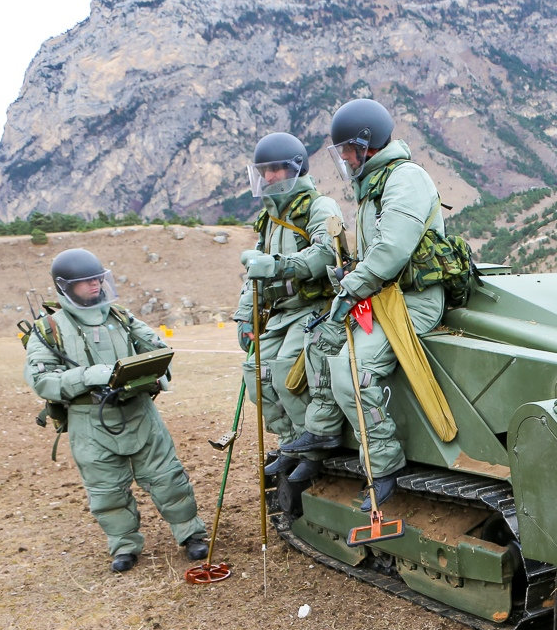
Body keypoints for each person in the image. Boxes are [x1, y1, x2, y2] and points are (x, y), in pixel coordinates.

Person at [281, 98, 445, 510]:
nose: (344, 158)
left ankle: (383, 465)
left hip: (412, 300)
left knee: (353, 370)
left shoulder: (405, 179)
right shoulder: (374, 184)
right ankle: (322, 435)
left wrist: (351, 287)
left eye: (347, 150)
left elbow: (391, 251)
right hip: (380, 296)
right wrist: (348, 274)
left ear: (365, 144)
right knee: (319, 342)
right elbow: (376, 255)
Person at [24, 248, 209, 572]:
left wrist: (156, 374)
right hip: (88, 421)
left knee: (168, 478)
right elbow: (42, 380)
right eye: (85, 281)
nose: (95, 284)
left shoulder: (120, 316)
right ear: (65, 286)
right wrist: (91, 375)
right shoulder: (48, 329)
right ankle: (124, 546)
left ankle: (191, 534)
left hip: (138, 411)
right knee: (106, 491)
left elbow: (157, 349)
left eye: (98, 278)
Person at [232, 131, 343, 483]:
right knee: (256, 375)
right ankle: (290, 443)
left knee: (285, 374)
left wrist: (278, 266)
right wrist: (245, 315)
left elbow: (326, 253)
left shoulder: (319, 207)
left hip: (312, 307)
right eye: (263, 171)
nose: (269, 177)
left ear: (296, 168)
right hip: (279, 313)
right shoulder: (269, 218)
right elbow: (254, 273)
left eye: (276, 169)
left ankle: (311, 452)